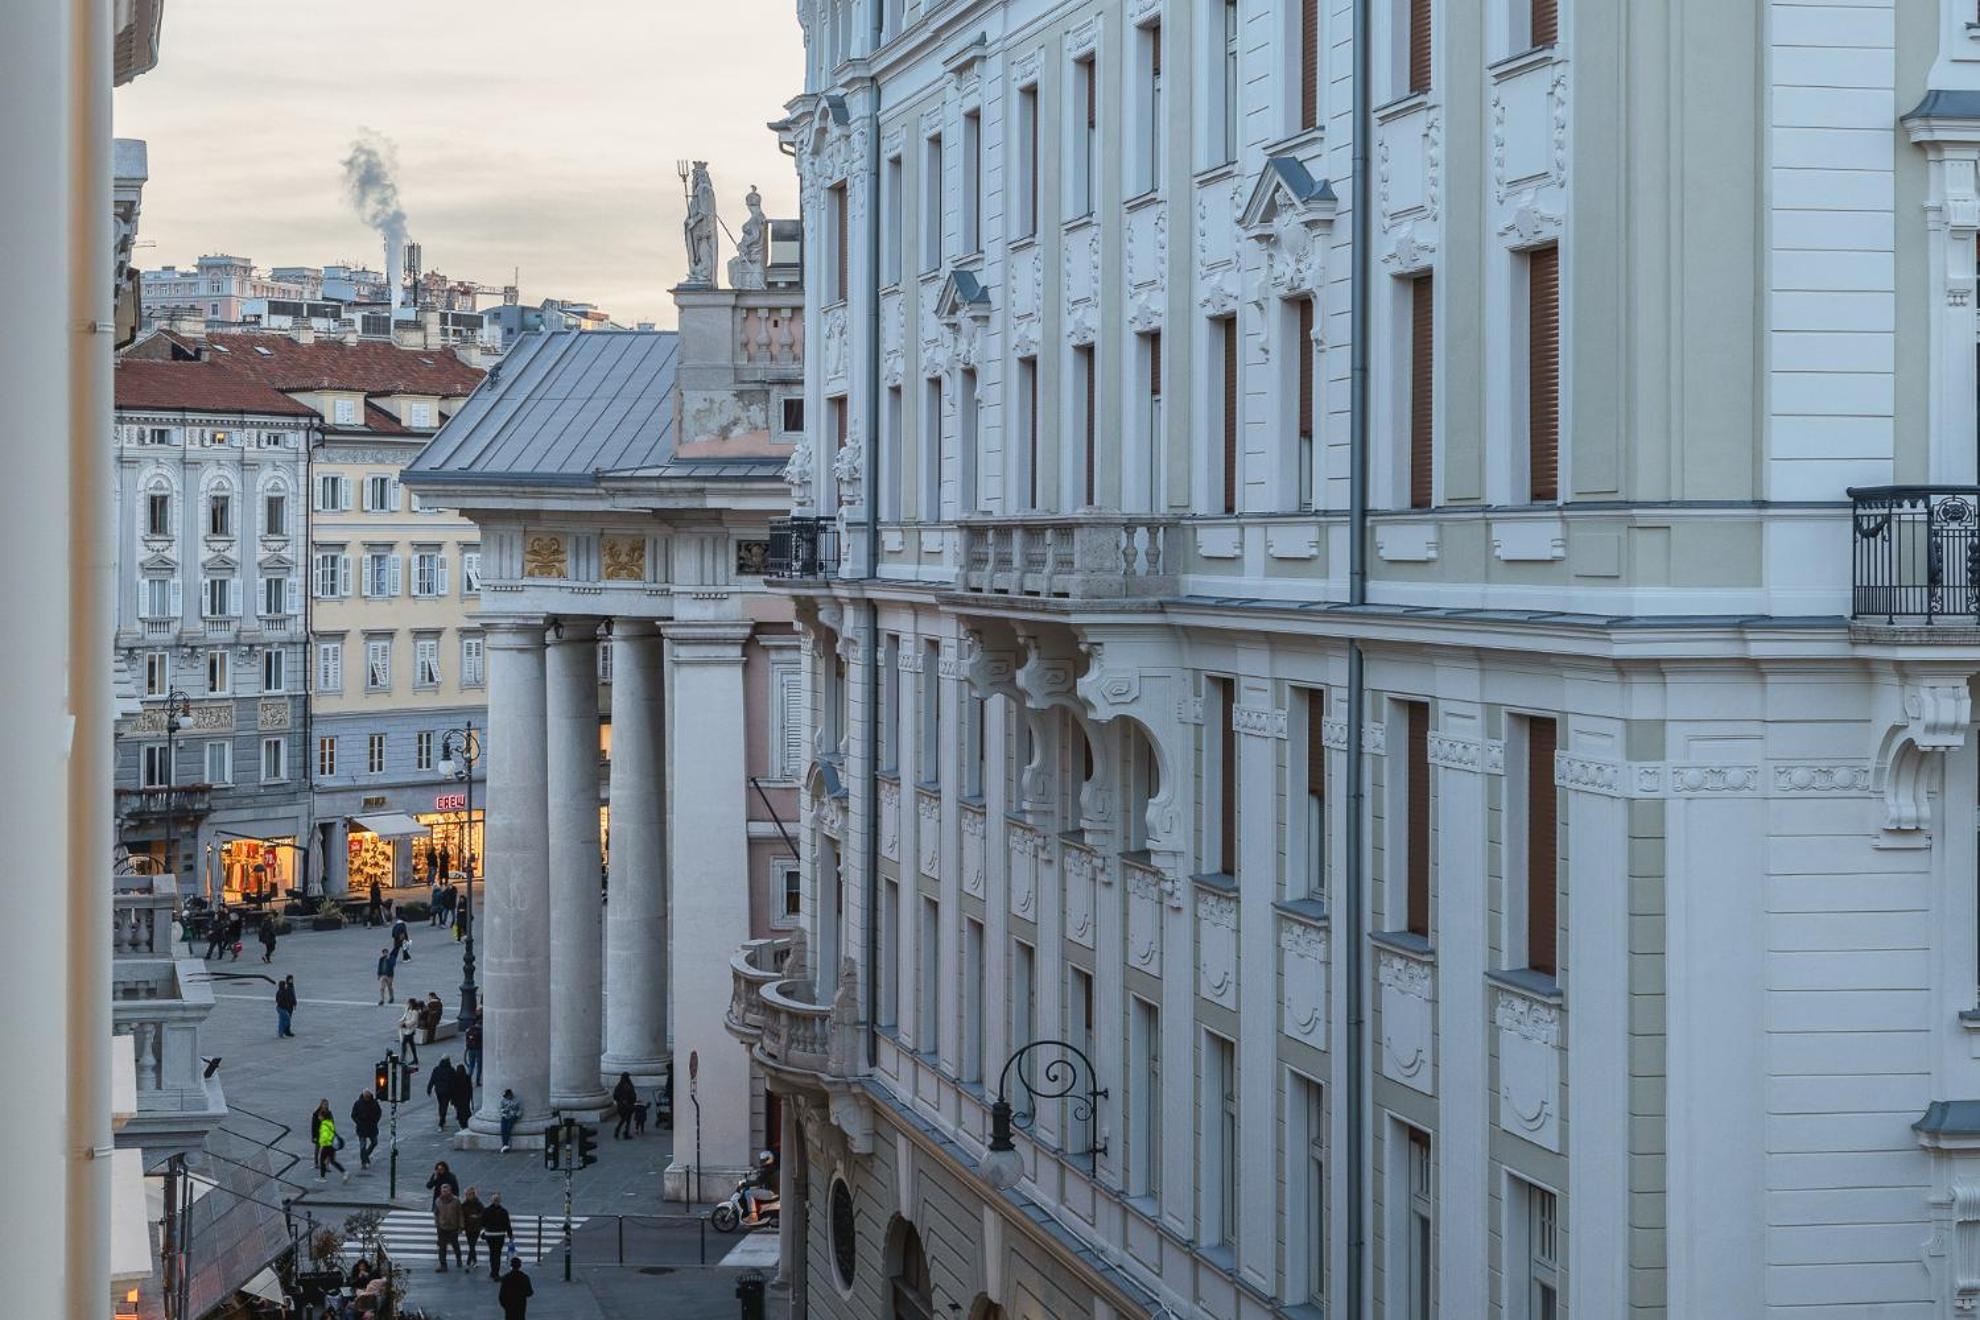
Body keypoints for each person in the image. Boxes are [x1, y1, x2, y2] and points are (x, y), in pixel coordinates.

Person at [432, 1184, 464, 1272]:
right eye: (443, 1191)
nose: (445, 1193)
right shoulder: (438, 1201)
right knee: (442, 1247)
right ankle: (443, 1265)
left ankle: (459, 1260)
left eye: (446, 1191)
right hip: (442, 1227)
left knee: (455, 1245)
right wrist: (437, 1224)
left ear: (450, 1191)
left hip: (453, 1227)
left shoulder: (456, 1201)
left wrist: (461, 1226)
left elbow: (460, 1213)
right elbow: (436, 1213)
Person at [314, 1101, 348, 1183]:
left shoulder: (324, 1125)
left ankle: (322, 1177)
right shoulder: (329, 1123)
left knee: (322, 1160)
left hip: (326, 1145)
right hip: (332, 1145)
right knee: (332, 1161)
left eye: (320, 1116)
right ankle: (344, 1172)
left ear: (322, 1117)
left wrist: (322, 1142)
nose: (319, 1117)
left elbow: (325, 1136)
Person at [741, 1148, 777, 1225]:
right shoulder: (769, 1168)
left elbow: (758, 1181)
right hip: (773, 1190)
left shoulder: (767, 1170)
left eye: (763, 1160)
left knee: (748, 1193)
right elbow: (760, 1176)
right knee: (755, 1191)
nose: (761, 1161)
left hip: (771, 1192)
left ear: (768, 1159)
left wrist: (746, 1184)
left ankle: (753, 1216)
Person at [479, 1195, 512, 1280]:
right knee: (497, 1253)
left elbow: (482, 1223)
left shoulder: (486, 1210)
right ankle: (496, 1272)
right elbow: (507, 1225)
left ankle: (493, 1271)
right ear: (500, 1201)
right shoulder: (504, 1211)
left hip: (490, 1235)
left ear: (491, 1201)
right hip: (500, 1235)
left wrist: (483, 1232)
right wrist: (510, 1235)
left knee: (492, 1252)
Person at [351, 1089, 382, 1168]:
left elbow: (379, 1113)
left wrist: (375, 1121)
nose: (367, 1098)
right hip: (362, 1128)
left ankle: (366, 1155)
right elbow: (353, 1115)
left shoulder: (374, 1103)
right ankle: (364, 1162)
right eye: (366, 1097)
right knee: (363, 1146)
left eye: (368, 1096)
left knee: (374, 1142)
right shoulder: (358, 1103)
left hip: (372, 1127)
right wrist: (359, 1122)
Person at [426, 1056, 458, 1131]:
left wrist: (429, 1089)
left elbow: (432, 1079)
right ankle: (441, 1121)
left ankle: (442, 1120)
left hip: (439, 1091)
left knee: (441, 1105)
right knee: (445, 1105)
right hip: (448, 1091)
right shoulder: (451, 1070)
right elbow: (454, 1082)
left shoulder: (436, 1069)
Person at [460, 1187, 486, 1268]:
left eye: (468, 1194)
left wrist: (477, 1216)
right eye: (466, 1194)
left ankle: (469, 1262)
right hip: (468, 1227)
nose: (467, 1196)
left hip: (476, 1227)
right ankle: (474, 1261)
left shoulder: (478, 1204)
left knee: (472, 1244)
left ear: (473, 1195)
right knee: (471, 1245)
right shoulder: (464, 1204)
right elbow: (462, 1215)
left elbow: (483, 1214)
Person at [449, 1058, 473, 1130]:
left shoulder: (455, 1078)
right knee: (466, 1111)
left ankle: (462, 1125)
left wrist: (452, 1100)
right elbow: (470, 1089)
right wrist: (471, 1098)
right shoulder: (467, 1078)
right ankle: (466, 1124)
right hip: (465, 1098)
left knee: (459, 1112)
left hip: (457, 1099)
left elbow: (452, 1090)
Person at [611, 1072, 637, 1139]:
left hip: (625, 1106)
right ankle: (621, 1131)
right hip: (625, 1106)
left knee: (626, 1120)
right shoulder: (627, 1085)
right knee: (625, 1119)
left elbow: (615, 1096)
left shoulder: (619, 1086)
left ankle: (623, 1132)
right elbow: (632, 1095)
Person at [497, 1088, 522, 1153]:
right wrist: (504, 1112)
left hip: (513, 1116)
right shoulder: (503, 1100)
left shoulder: (516, 1101)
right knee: (503, 1129)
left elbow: (520, 1110)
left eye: (507, 1096)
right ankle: (505, 1145)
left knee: (508, 1128)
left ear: (510, 1095)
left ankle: (506, 1144)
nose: (507, 1097)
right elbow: (500, 1109)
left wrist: (516, 1115)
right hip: (505, 1116)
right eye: (506, 1096)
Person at [398, 998, 422, 1064]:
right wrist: (401, 1021)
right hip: (407, 1029)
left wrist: (404, 1024)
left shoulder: (415, 1012)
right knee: (411, 1045)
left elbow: (413, 1021)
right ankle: (415, 1059)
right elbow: (405, 1016)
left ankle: (402, 1059)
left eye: (408, 1003)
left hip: (410, 1030)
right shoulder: (409, 1009)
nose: (407, 1004)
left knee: (404, 1043)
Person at [463, 1013, 482, 1085]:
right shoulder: (481, 1031)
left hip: (470, 1049)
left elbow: (467, 1040)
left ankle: (468, 1080)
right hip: (478, 1049)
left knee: (471, 1065)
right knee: (479, 1065)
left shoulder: (469, 1030)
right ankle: (477, 1081)